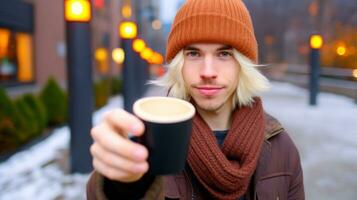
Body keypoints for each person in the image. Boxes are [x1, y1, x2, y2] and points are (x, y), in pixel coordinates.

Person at [87, 0, 305, 199]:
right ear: (177, 65)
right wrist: (121, 183)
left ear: (243, 64)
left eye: (224, 54)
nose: (208, 72)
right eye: (193, 54)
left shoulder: (280, 148)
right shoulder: (151, 142)